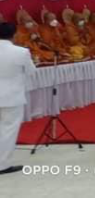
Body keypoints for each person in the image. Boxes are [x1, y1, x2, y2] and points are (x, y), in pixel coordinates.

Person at [0, 22, 37, 174]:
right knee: (8, 130)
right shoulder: (21, 52)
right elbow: (31, 71)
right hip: (11, 96)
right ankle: (3, 164)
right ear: (14, 34)